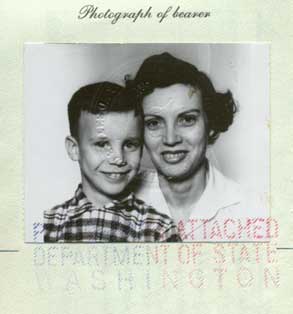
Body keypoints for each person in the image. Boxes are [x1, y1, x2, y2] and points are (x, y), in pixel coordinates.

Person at [127, 52, 264, 241]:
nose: (170, 139)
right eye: (153, 123)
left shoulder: (253, 209)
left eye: (187, 119)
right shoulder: (115, 204)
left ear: (211, 125)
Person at [43, 81, 180, 242]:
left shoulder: (159, 230)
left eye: (130, 144)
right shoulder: (48, 224)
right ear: (74, 149)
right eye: (102, 144)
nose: (119, 159)